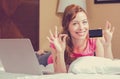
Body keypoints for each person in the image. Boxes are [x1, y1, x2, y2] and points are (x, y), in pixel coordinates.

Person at [47, 4, 115, 73]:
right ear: (67, 26)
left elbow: (106, 67)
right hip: (49, 58)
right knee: (39, 57)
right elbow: (61, 75)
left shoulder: (94, 41)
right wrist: (60, 52)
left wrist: (107, 45)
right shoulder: (58, 44)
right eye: (75, 23)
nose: (81, 28)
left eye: (84, 22)